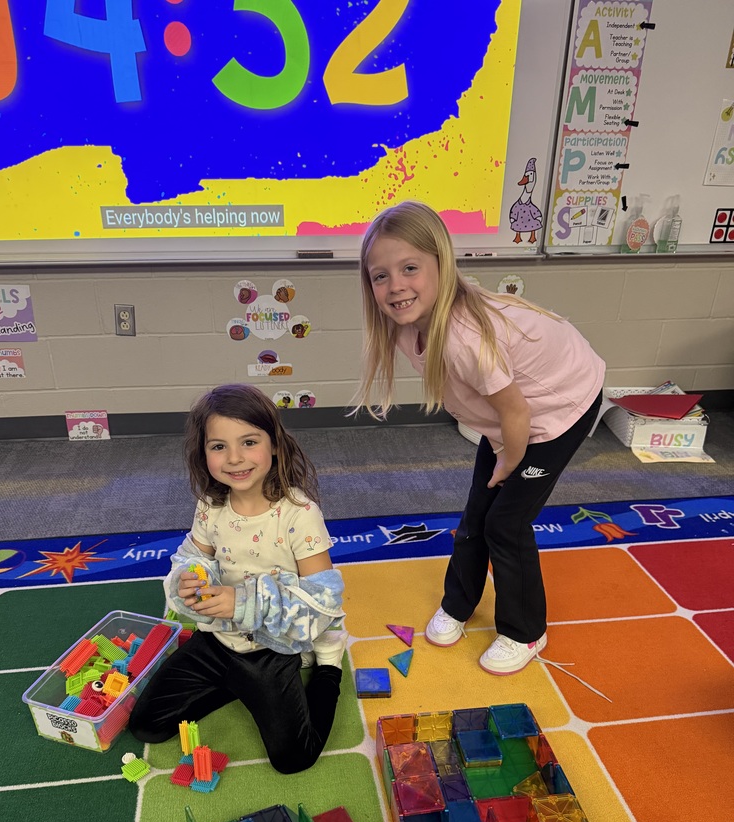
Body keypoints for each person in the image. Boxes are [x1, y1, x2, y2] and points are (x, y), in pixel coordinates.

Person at [355, 200, 605, 676]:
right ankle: (459, 604)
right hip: (509, 418)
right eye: (380, 275)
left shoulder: (463, 337)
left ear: (442, 265)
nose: (395, 286)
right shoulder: (407, 324)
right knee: (477, 514)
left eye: (410, 268)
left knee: (505, 525)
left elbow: (517, 411)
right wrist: (500, 455)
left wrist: (509, 463)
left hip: (559, 408)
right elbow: (501, 410)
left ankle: (525, 631)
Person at [129, 383, 346, 773]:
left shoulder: (298, 512)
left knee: (293, 760)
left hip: (273, 649)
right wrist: (188, 579)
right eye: (218, 446)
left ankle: (329, 663)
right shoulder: (210, 505)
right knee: (147, 726)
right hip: (216, 642)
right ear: (204, 453)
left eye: (248, 442)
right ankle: (236, 685)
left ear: (275, 444)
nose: (234, 458)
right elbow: (194, 557)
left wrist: (243, 602)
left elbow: (323, 601)